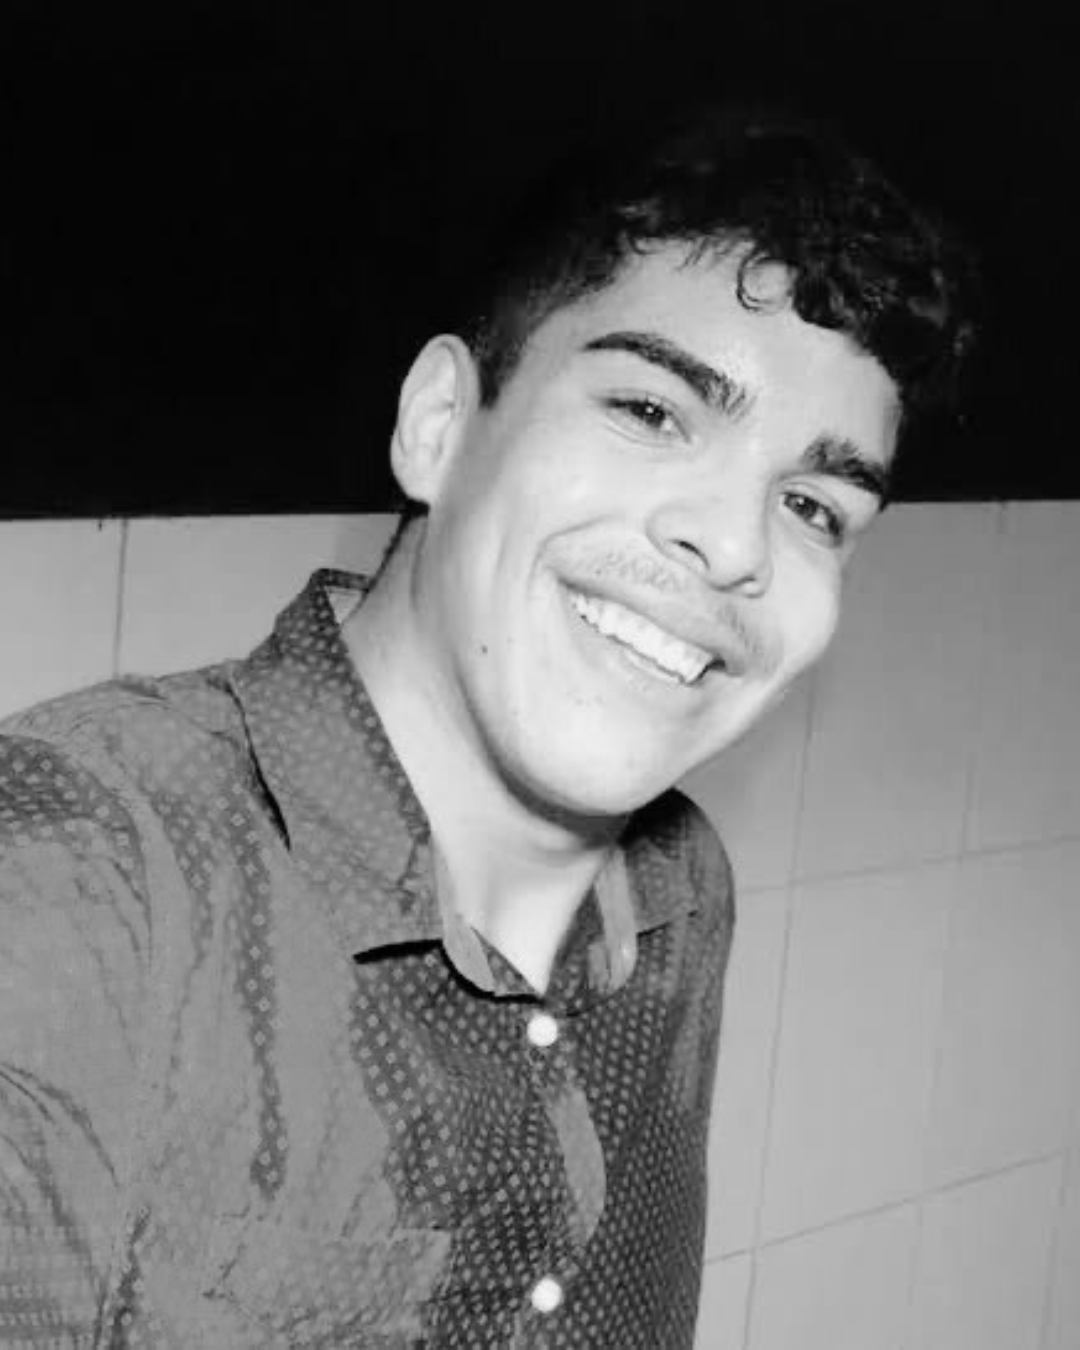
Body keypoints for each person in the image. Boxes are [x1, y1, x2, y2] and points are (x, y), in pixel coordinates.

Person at [0, 106, 972, 1347]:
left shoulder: (681, 899)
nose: (736, 545)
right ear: (441, 425)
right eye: (651, 411)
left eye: (814, 505)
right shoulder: (77, 876)